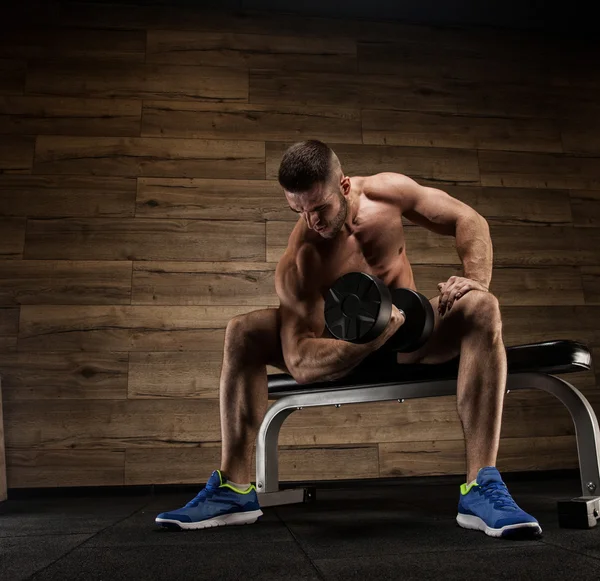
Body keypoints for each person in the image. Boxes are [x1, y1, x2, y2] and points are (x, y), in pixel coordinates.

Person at [156, 139, 541, 539]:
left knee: (482, 306)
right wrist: (370, 340)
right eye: (299, 211)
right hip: (337, 350)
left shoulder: (386, 193)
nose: (312, 221)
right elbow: (301, 361)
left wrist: (474, 278)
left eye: (319, 208)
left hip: (411, 338)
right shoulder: (303, 257)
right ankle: (234, 490)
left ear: (343, 185)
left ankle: (481, 487)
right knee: (243, 331)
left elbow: (468, 219)